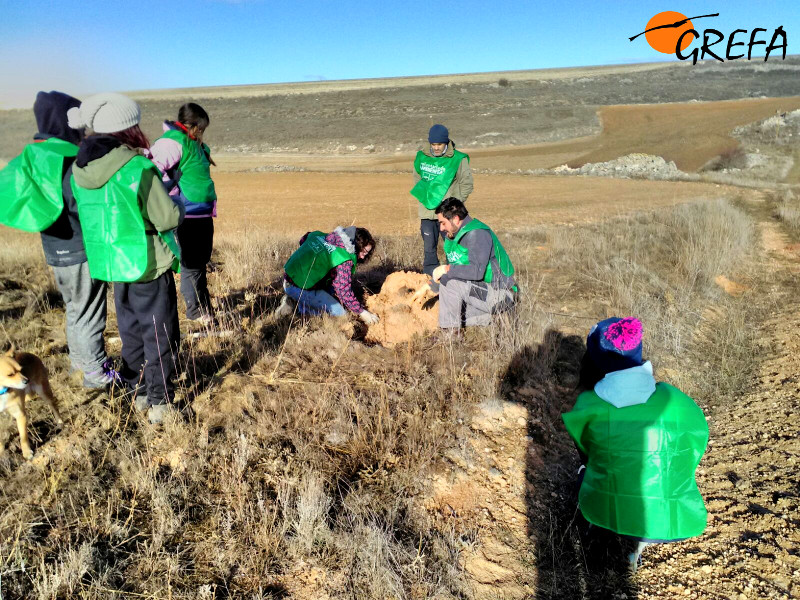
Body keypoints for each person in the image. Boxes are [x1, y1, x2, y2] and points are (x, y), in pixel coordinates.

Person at [68, 93, 184, 424]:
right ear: (127, 128)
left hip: (112, 265)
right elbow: (166, 219)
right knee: (160, 334)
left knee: (131, 332)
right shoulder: (137, 167)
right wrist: (180, 206)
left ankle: (138, 393)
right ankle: (161, 404)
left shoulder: (81, 170)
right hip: (147, 263)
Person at [562, 317, 709, 571]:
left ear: (594, 359)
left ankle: (599, 533)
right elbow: (692, 452)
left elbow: (587, 454)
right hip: (671, 518)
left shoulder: (588, 406)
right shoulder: (679, 402)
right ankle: (636, 551)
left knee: (584, 472)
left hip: (606, 509)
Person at [0, 91, 117, 389]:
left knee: (75, 308)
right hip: (81, 248)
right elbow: (80, 205)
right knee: (90, 311)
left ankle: (78, 366)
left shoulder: (35, 157)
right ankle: (94, 373)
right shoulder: (68, 160)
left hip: (55, 250)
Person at [148, 103, 217, 324]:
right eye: (200, 129)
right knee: (191, 264)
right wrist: (172, 194)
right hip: (187, 215)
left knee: (200, 262)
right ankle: (196, 313)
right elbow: (152, 173)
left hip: (202, 213)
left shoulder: (193, 143)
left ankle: (205, 307)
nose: (202, 134)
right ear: (192, 125)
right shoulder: (170, 143)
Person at [429, 198, 516, 330]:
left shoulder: (477, 234)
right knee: (448, 308)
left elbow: (476, 271)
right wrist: (433, 285)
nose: (441, 228)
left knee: (449, 283)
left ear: (456, 219)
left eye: (443, 223)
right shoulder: (455, 236)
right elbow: (458, 269)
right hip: (482, 293)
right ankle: (494, 317)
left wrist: (446, 269)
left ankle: (450, 338)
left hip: (500, 293)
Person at [276, 226, 379, 324]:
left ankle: (296, 301)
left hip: (288, 279)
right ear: (357, 245)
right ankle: (297, 306)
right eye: (363, 252)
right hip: (301, 288)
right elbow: (343, 290)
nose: (362, 257)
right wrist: (362, 312)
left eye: (366, 254)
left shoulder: (320, 235)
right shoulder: (343, 258)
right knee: (341, 315)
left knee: (330, 284)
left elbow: (303, 239)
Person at [410, 124, 473, 276]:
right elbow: (417, 180)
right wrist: (427, 198)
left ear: (446, 143)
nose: (436, 148)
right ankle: (431, 282)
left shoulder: (457, 159)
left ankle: (455, 280)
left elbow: (467, 184)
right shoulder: (422, 157)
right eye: (433, 144)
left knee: (453, 249)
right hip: (427, 213)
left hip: (448, 215)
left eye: (439, 144)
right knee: (429, 250)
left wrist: (453, 206)